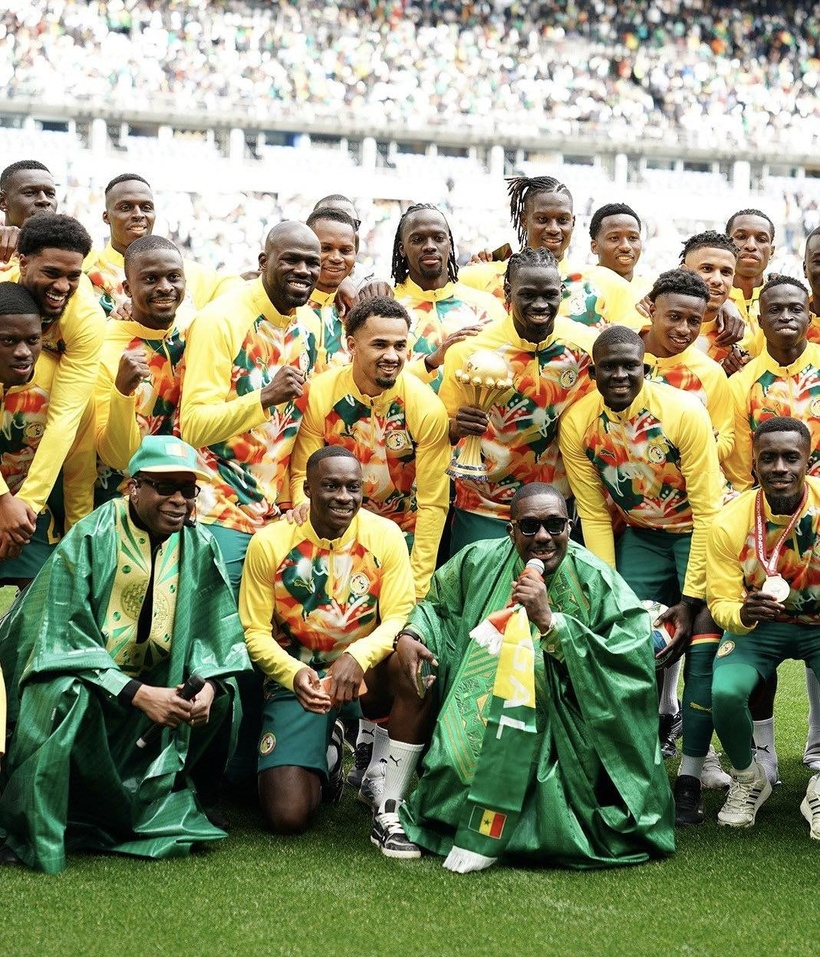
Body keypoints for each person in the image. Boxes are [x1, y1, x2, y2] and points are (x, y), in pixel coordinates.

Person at [373, 483, 673, 869]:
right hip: (477, 700)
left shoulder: (596, 578)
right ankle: (391, 807)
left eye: (555, 525)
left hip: (565, 716)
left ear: (570, 526)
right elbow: (437, 607)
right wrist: (412, 634)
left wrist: (552, 623)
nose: (544, 536)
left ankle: (537, 827)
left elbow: (629, 655)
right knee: (429, 707)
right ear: (510, 530)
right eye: (529, 526)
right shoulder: (478, 560)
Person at [0, 435, 250, 872]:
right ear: (134, 486)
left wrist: (207, 686)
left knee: (224, 692)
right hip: (88, 677)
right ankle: (36, 822)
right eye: (165, 487)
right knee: (62, 695)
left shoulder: (200, 543)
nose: (179, 500)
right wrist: (136, 693)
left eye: (188, 490)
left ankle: (189, 796)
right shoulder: (92, 535)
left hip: (157, 681)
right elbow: (62, 636)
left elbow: (216, 633)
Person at [180, 220, 321, 787]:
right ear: (264, 260)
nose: (304, 271)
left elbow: (301, 428)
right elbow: (194, 424)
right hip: (218, 503)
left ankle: (249, 767)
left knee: (272, 632)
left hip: (277, 510)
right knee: (221, 636)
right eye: (292, 259)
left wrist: (295, 498)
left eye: (312, 263)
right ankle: (200, 772)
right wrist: (263, 397)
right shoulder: (221, 320)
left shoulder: (312, 325)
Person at [559, 326, 724, 787]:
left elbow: (709, 510)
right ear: (592, 372)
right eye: (608, 367)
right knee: (626, 636)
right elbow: (593, 513)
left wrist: (690, 599)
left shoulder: (682, 411)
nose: (619, 375)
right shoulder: (577, 423)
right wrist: (608, 588)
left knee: (702, 643)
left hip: (698, 530)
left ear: (644, 367)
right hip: (642, 534)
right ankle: (636, 752)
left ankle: (700, 758)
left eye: (629, 366)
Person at [238, 447, 415, 834]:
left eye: (353, 487)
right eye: (331, 486)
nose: (344, 497)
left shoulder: (385, 535)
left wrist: (359, 656)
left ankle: (387, 782)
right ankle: (329, 749)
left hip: (365, 675)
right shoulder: (270, 542)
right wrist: (293, 673)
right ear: (307, 489)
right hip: (302, 682)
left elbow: (400, 616)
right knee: (287, 816)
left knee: (411, 655)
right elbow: (254, 632)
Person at [290, 296, 450, 600]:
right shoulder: (320, 393)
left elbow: (432, 504)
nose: (392, 356)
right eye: (379, 345)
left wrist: (417, 587)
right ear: (351, 345)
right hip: (331, 526)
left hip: (400, 532)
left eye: (400, 346)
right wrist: (302, 509)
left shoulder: (426, 407)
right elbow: (302, 475)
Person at [723, 276, 820, 777]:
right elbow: (741, 460)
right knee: (767, 622)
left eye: (795, 309)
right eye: (774, 310)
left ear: (810, 314)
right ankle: (762, 757)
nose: (785, 317)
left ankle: (817, 748)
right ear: (759, 320)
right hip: (764, 520)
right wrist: (753, 513)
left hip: (817, 515)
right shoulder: (742, 382)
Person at [441, 247, 595, 554]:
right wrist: (456, 425)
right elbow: (441, 429)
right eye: (528, 294)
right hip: (483, 506)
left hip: (554, 510)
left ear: (561, 292)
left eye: (549, 294)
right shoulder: (469, 352)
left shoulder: (586, 347)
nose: (540, 304)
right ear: (508, 292)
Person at [708, 417, 820, 837]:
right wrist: (743, 613)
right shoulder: (729, 520)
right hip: (759, 628)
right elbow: (720, 600)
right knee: (725, 692)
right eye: (768, 458)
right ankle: (748, 778)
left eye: (791, 457)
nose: (779, 468)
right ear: (754, 463)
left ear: (808, 460)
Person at [2, 213, 104, 555]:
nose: (62, 286)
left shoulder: (85, 319)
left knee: (84, 406)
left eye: (73, 276)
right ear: (23, 262)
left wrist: (24, 509)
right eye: (51, 273)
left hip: (38, 431)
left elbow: (65, 418)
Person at [459, 176, 640, 330]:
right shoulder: (481, 278)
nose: (553, 229)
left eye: (562, 220)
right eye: (542, 219)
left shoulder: (608, 284)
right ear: (524, 220)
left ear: (573, 222)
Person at [93, 235, 189, 503]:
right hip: (120, 503)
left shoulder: (193, 333)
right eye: (150, 279)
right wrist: (122, 392)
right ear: (127, 288)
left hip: (184, 498)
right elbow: (116, 457)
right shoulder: (103, 347)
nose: (165, 288)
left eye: (174, 277)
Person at [84, 173, 240, 316]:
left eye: (146, 208)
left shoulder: (189, 272)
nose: (138, 214)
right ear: (106, 217)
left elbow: (237, 292)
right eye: (126, 207)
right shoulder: (87, 272)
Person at [390, 203, 504, 388]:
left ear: (449, 245)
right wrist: (430, 363)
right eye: (418, 239)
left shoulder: (487, 305)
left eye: (438, 238)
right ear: (402, 249)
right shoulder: (387, 307)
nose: (429, 246)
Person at [641, 268, 734, 463]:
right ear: (653, 311)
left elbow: (726, 438)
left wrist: (704, 444)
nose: (684, 329)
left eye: (694, 321)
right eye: (674, 317)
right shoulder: (620, 354)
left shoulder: (710, 372)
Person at [680, 230, 750, 368]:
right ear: (684, 272)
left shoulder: (740, 337)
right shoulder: (653, 326)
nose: (717, 280)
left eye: (725, 272)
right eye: (707, 269)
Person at [305, 206, 358, 372]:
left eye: (345, 250)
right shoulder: (284, 306)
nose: (336, 258)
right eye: (325, 248)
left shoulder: (357, 311)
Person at [0, 159, 58, 269]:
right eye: (30, 193)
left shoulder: (79, 254)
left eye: (50, 194)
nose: (44, 200)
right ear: (2, 201)